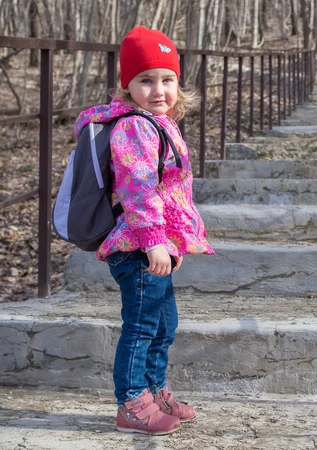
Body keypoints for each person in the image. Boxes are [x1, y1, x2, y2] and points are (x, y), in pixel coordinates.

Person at [74, 26, 214, 435]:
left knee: (163, 323)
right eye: (145, 80)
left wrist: (172, 241)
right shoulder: (134, 126)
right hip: (136, 244)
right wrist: (155, 242)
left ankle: (155, 393)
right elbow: (138, 190)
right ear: (126, 86)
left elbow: (170, 193)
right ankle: (133, 404)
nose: (158, 90)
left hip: (153, 243)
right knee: (141, 326)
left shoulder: (160, 122)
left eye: (167, 79)